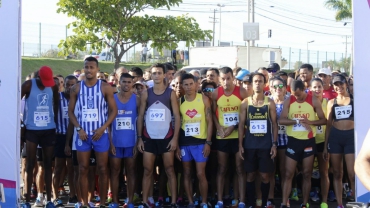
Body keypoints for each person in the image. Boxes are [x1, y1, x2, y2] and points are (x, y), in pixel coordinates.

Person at [68, 57, 118, 207]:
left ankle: (102, 203)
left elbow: (114, 111)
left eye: (91, 67)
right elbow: (70, 112)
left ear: (97, 69)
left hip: (100, 134)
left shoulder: (105, 87)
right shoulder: (76, 88)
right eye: (86, 67)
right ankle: (84, 203)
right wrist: (79, 129)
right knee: (82, 169)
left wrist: (103, 128)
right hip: (82, 135)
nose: (89, 70)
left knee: (102, 169)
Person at [136, 63, 181, 208]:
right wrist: (140, 139)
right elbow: (141, 116)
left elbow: (177, 116)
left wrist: (175, 139)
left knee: (169, 170)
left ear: (164, 75)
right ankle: (144, 202)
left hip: (167, 138)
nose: (156, 76)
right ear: (151, 75)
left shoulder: (170, 93)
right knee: (147, 170)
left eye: (159, 73)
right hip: (148, 137)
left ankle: (173, 202)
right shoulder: (146, 94)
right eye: (154, 73)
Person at [278, 79, 326, 208]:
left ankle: (305, 203)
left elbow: (323, 120)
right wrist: (296, 121)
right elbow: (281, 120)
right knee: (288, 174)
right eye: (293, 94)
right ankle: (284, 203)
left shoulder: (313, 100)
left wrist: (310, 122)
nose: (296, 96)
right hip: (293, 141)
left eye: (298, 94)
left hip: (308, 141)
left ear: (303, 89)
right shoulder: (289, 100)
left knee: (307, 173)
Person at [21, 66, 59, 208]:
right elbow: (16, 102)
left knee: (48, 165)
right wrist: (21, 123)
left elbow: (56, 103)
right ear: (38, 77)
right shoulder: (28, 85)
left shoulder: (53, 86)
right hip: (32, 129)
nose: (46, 84)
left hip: (48, 129)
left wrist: (53, 119)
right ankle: (26, 200)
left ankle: (49, 200)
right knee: (30, 165)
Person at [238, 73, 278, 208]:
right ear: (251, 84)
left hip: (265, 146)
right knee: (250, 176)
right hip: (249, 145)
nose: (257, 84)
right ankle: (250, 203)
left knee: (265, 176)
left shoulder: (269, 102)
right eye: (255, 81)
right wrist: (240, 145)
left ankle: (265, 201)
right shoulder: (245, 103)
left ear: (264, 84)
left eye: (260, 81)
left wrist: (274, 144)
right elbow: (241, 125)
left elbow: (274, 124)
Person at [211, 67, 248, 208]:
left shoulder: (242, 92)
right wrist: (219, 128)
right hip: (222, 137)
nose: (226, 81)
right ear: (219, 80)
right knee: (222, 168)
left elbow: (246, 114)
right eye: (223, 79)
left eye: (228, 78)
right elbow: (213, 113)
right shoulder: (216, 93)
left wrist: (234, 126)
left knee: (239, 168)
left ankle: (241, 200)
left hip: (239, 136)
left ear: (233, 78)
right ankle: (220, 200)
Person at [176, 73, 213, 208]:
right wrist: (177, 146)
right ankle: (191, 202)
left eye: (191, 84)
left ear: (196, 84)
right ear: (182, 86)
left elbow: (209, 122)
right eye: (186, 84)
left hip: (200, 143)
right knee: (186, 173)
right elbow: (177, 124)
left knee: (200, 173)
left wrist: (208, 142)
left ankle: (203, 201)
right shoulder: (179, 101)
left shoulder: (203, 99)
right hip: (185, 143)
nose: (189, 87)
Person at [108, 73, 140, 208]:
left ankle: (130, 201)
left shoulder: (137, 100)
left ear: (132, 83)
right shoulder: (112, 98)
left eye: (129, 82)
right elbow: (107, 123)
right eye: (124, 82)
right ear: (119, 83)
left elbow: (140, 122)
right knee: (115, 172)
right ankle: (115, 201)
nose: (126, 84)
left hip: (131, 143)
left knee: (131, 172)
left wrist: (138, 141)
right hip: (115, 142)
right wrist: (110, 142)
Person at [323, 74, 355, 207]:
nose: (339, 87)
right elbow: (328, 125)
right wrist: (325, 146)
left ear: (346, 84)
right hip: (335, 137)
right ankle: (340, 203)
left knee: (352, 172)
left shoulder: (354, 100)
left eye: (341, 84)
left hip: (351, 137)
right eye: (336, 85)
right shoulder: (331, 102)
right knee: (337, 173)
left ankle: (356, 199)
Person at [53, 75, 78, 206]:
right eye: (67, 84)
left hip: (75, 136)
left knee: (72, 168)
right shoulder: (58, 98)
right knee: (58, 167)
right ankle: (55, 196)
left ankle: (73, 195)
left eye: (72, 85)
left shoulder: (79, 99)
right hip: (60, 136)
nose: (69, 87)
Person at [309, 78, 330, 208]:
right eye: (314, 87)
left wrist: (327, 143)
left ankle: (325, 200)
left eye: (319, 87)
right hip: (310, 140)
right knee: (308, 171)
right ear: (310, 89)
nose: (317, 90)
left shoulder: (328, 103)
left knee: (324, 172)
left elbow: (329, 124)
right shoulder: (307, 103)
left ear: (323, 88)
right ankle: (311, 194)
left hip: (323, 141)